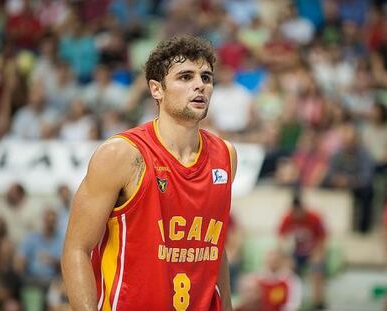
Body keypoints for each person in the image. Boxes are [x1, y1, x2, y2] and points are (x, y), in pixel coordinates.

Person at [61, 35, 237, 310]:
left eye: (206, 77)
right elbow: (76, 249)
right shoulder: (122, 154)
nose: (199, 85)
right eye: (185, 77)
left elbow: (215, 248)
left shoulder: (226, 156)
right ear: (157, 89)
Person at [277, 192, 327, 310]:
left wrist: (318, 254)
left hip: (312, 252)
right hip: (295, 254)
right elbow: (281, 239)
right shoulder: (288, 218)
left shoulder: (314, 217)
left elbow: (322, 240)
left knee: (317, 267)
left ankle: (317, 301)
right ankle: (288, 300)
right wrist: (285, 255)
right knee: (286, 268)